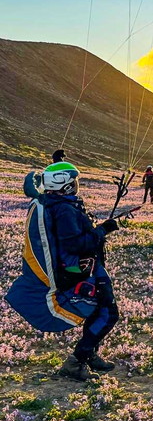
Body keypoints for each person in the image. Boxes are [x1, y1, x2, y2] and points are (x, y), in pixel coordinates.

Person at [4, 162, 120, 381]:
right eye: (73, 182)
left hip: (84, 265)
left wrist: (59, 159)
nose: (76, 185)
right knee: (108, 312)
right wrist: (104, 229)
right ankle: (76, 361)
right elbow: (77, 244)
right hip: (80, 267)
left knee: (98, 310)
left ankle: (89, 354)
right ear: (65, 186)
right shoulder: (64, 209)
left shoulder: (53, 202)